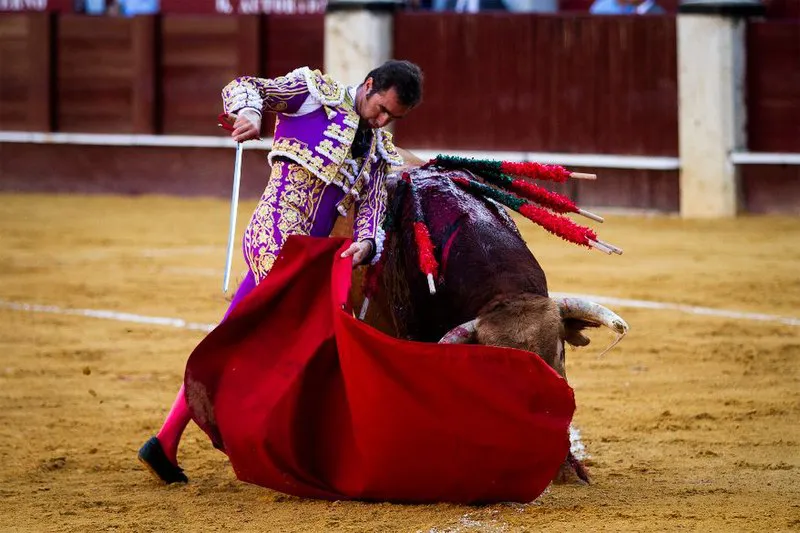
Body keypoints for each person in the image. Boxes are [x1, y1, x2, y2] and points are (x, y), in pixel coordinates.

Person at [137, 60, 424, 484]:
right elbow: (248, 86)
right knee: (284, 343)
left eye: (392, 118)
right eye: (382, 108)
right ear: (369, 85)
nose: (382, 121)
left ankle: (166, 441)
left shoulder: (378, 150)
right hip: (276, 239)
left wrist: (367, 240)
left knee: (237, 338)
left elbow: (374, 206)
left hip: (311, 257)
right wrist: (250, 114)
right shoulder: (313, 93)